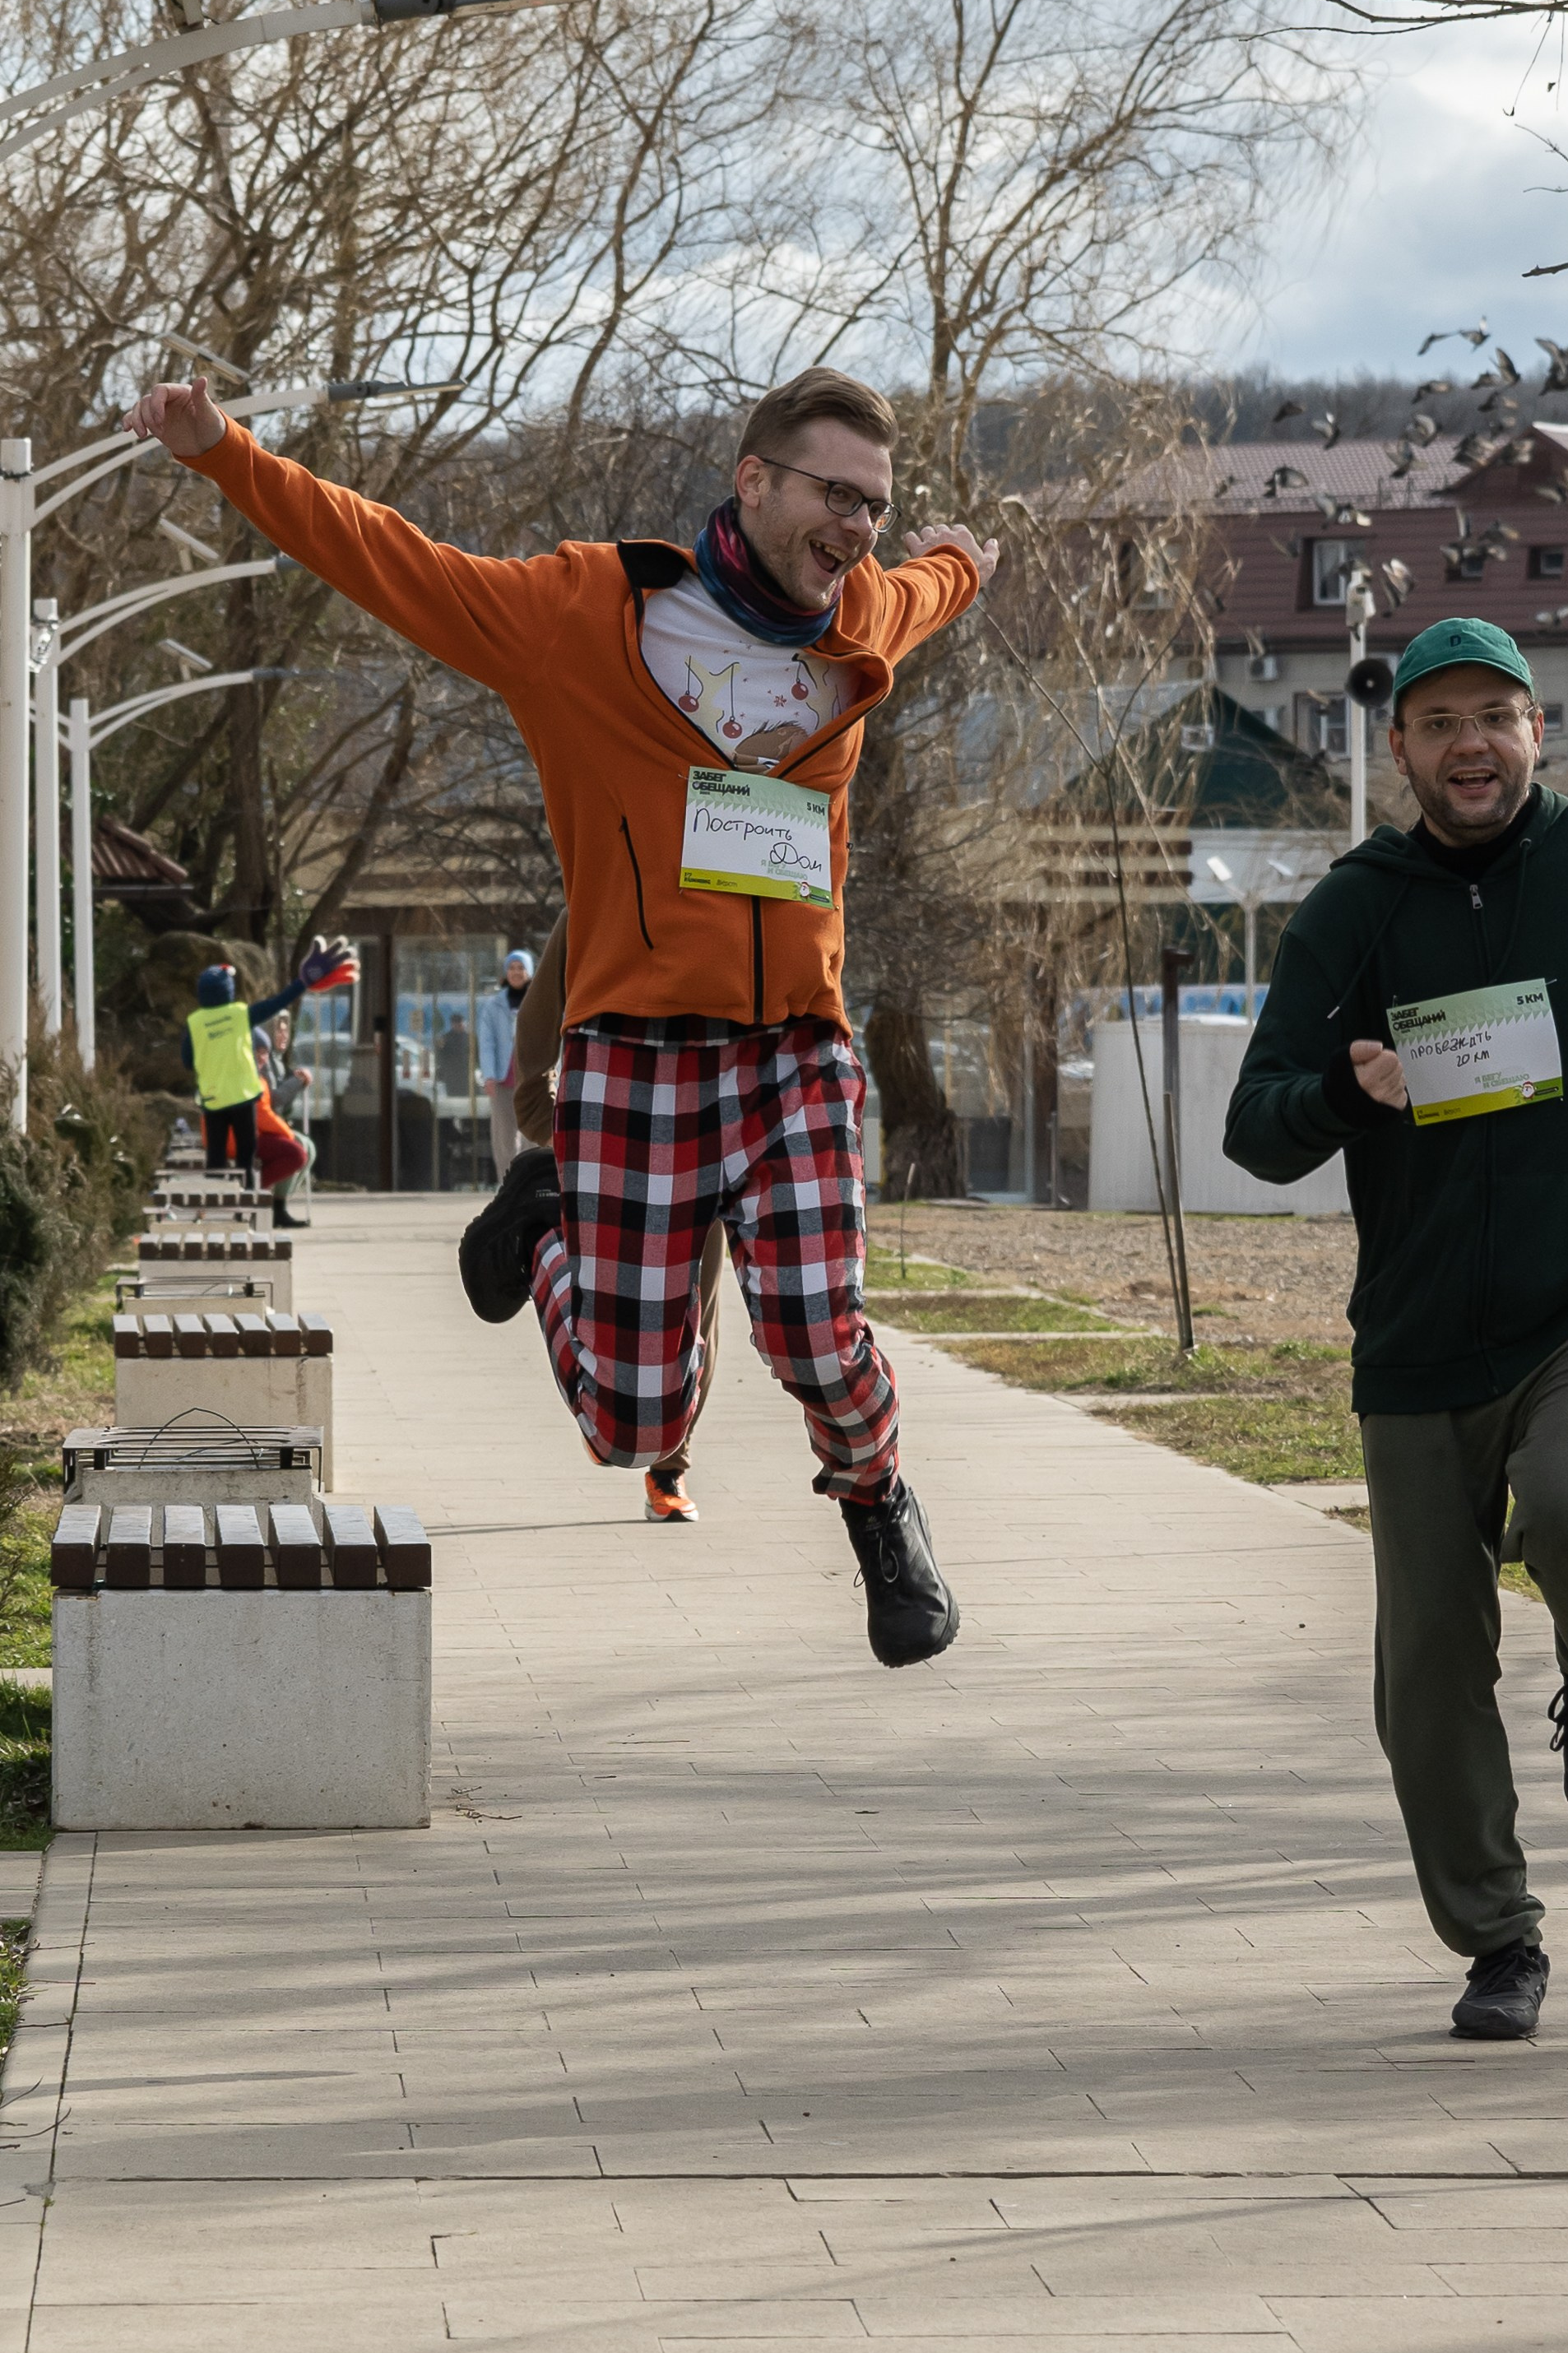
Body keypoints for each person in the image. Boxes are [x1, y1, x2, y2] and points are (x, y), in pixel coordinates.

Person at [125, 362, 995, 1668]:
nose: (860, 531)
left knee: (818, 1330)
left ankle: (876, 1504)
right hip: (634, 1054)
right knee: (634, 1425)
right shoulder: (581, 613)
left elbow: (930, 585)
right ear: (753, 482)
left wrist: (959, 561)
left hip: (794, 1049)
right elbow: (388, 557)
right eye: (836, 496)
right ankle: (545, 1222)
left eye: (877, 506)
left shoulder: (863, 606)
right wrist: (221, 453)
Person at [1224, 617, 1568, 2042]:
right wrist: (1351, 1095)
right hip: (1416, 1334)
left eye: (1498, 716)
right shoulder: (1355, 906)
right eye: (1439, 723)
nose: (1471, 744)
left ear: (1536, 730)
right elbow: (1258, 1127)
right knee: (1429, 1665)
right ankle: (1498, 1938)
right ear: (1402, 746)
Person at [513, 908, 721, 1522]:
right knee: (606, 1301)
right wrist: (553, 1121)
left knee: (695, 1303)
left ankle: (669, 1466)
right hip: (611, 1136)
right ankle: (604, 1404)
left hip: (708, 1128)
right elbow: (538, 1020)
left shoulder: (732, 893)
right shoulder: (597, 896)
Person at [182, 942, 357, 1177]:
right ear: (228, 990)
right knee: (247, 1151)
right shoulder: (241, 1014)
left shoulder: (194, 1023)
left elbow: (187, 1060)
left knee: (216, 1153)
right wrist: (302, 982)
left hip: (213, 1098)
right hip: (243, 1096)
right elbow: (278, 1003)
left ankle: (217, 1191)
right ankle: (246, 1197)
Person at [253, 1006, 318, 1228]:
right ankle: (274, 1205)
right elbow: (274, 1098)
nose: (284, 1036)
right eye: (278, 1030)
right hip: (262, 1129)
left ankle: (281, 1202)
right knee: (298, 1146)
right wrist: (298, 1082)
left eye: (286, 1031)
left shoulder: (277, 1061)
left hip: (271, 1125)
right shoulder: (263, 1060)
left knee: (309, 1149)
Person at [476, 951, 534, 1180]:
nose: (516, 972)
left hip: (532, 1079)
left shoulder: (540, 1001)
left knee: (533, 1132)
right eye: (512, 968)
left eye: (521, 968)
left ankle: (531, 1180)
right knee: (503, 1135)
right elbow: (486, 1042)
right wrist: (489, 1075)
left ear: (529, 972)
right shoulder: (493, 1006)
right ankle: (507, 1182)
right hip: (503, 1079)